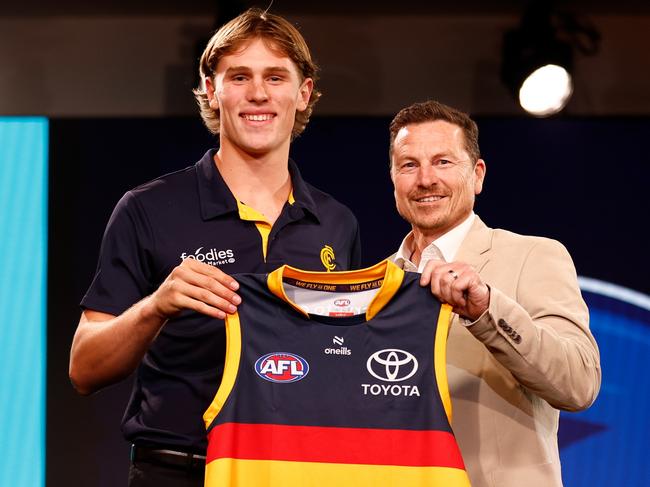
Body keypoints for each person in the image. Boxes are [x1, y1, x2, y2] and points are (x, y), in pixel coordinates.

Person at [69, 8, 360, 487]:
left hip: (296, 471)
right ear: (211, 88)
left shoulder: (336, 223)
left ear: (304, 93)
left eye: (276, 77)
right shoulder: (147, 208)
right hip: (176, 471)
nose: (259, 94)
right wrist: (156, 307)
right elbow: (84, 369)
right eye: (239, 76)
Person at [388, 100, 601, 487]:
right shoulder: (376, 282)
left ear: (477, 175)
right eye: (409, 165)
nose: (425, 179)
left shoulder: (534, 256)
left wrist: (487, 310)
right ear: (393, 178)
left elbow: (579, 382)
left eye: (443, 162)